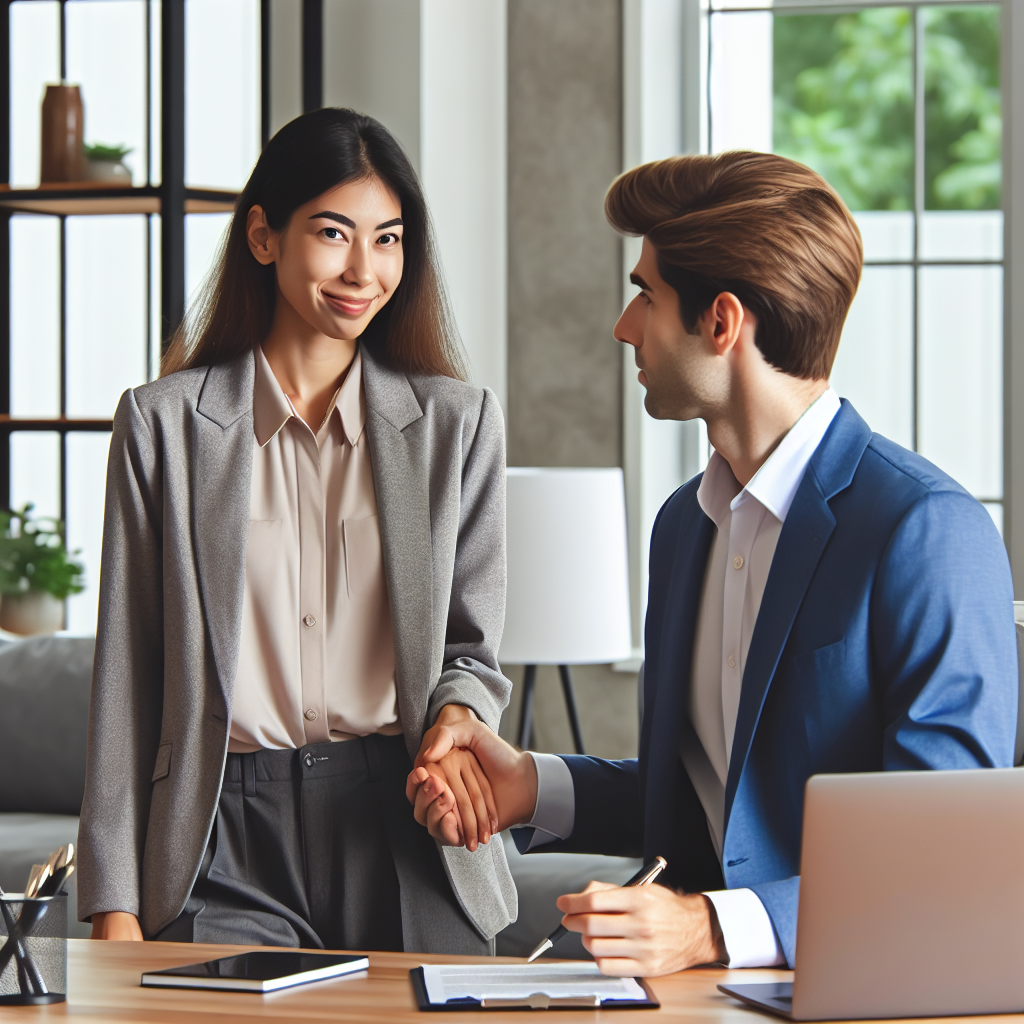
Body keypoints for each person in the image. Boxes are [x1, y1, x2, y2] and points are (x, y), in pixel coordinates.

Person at [407, 151, 1019, 975]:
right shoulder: (682, 528)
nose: (626, 327)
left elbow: (944, 850)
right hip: (697, 996)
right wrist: (530, 783)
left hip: (865, 986)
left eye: (646, 295)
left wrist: (709, 929)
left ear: (722, 322)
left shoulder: (926, 530)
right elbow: (715, 808)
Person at [77, 107, 515, 954]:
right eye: (333, 233)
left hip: (402, 822)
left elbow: (472, 651)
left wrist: (460, 714)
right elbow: (127, 677)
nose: (364, 269)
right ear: (264, 237)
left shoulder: (458, 425)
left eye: (387, 239)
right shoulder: (162, 426)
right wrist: (113, 904)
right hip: (220, 838)